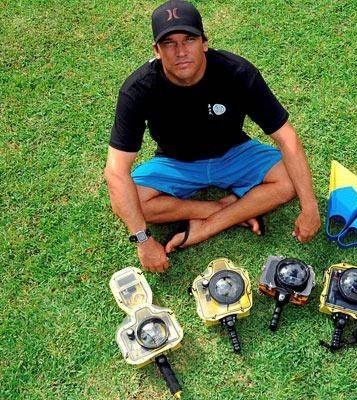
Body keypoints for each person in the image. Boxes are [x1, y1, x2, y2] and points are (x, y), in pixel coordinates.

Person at [104, 0, 320, 273]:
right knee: (125, 201)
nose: (181, 51)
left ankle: (206, 227)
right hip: (175, 161)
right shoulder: (138, 89)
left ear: (204, 43)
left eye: (189, 39)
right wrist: (143, 240)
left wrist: (310, 207)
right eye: (169, 43)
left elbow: (287, 137)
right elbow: (116, 171)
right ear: (156, 51)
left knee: (290, 180)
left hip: (234, 152)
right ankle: (217, 208)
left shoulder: (237, 72)